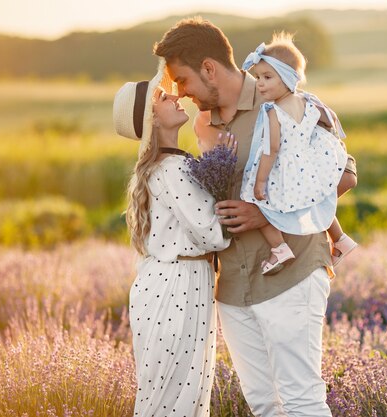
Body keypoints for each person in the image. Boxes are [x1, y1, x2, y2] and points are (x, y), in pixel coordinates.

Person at [154, 17, 358, 417]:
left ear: (209, 69)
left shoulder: (279, 96)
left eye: (182, 80)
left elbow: (344, 174)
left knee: (302, 400)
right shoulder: (202, 124)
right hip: (231, 286)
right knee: (265, 406)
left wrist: (266, 210)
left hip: (292, 270)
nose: (180, 93)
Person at [113, 60, 231, 417]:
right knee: (176, 397)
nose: (176, 96)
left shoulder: (169, 164)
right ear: (152, 120)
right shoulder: (173, 168)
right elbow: (212, 233)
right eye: (164, 98)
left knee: (171, 394)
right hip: (178, 286)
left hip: (173, 282)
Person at [240, 33, 358, 275]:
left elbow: (271, 149)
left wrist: (260, 181)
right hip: (309, 164)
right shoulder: (307, 101)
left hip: (287, 167)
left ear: (286, 77)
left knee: (257, 201)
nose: (260, 83)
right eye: (258, 77)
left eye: (267, 77)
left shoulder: (273, 110)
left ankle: (279, 247)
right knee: (317, 198)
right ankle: (341, 239)